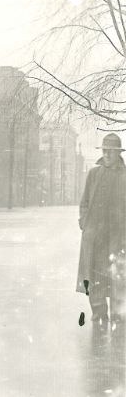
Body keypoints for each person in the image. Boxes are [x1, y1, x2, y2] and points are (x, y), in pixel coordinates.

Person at [77, 133, 126, 332]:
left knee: (117, 274)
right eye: (104, 150)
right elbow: (84, 202)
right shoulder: (94, 174)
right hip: (95, 235)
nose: (107, 154)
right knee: (94, 273)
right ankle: (98, 311)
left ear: (118, 153)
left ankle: (117, 313)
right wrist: (84, 222)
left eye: (111, 151)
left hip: (117, 236)